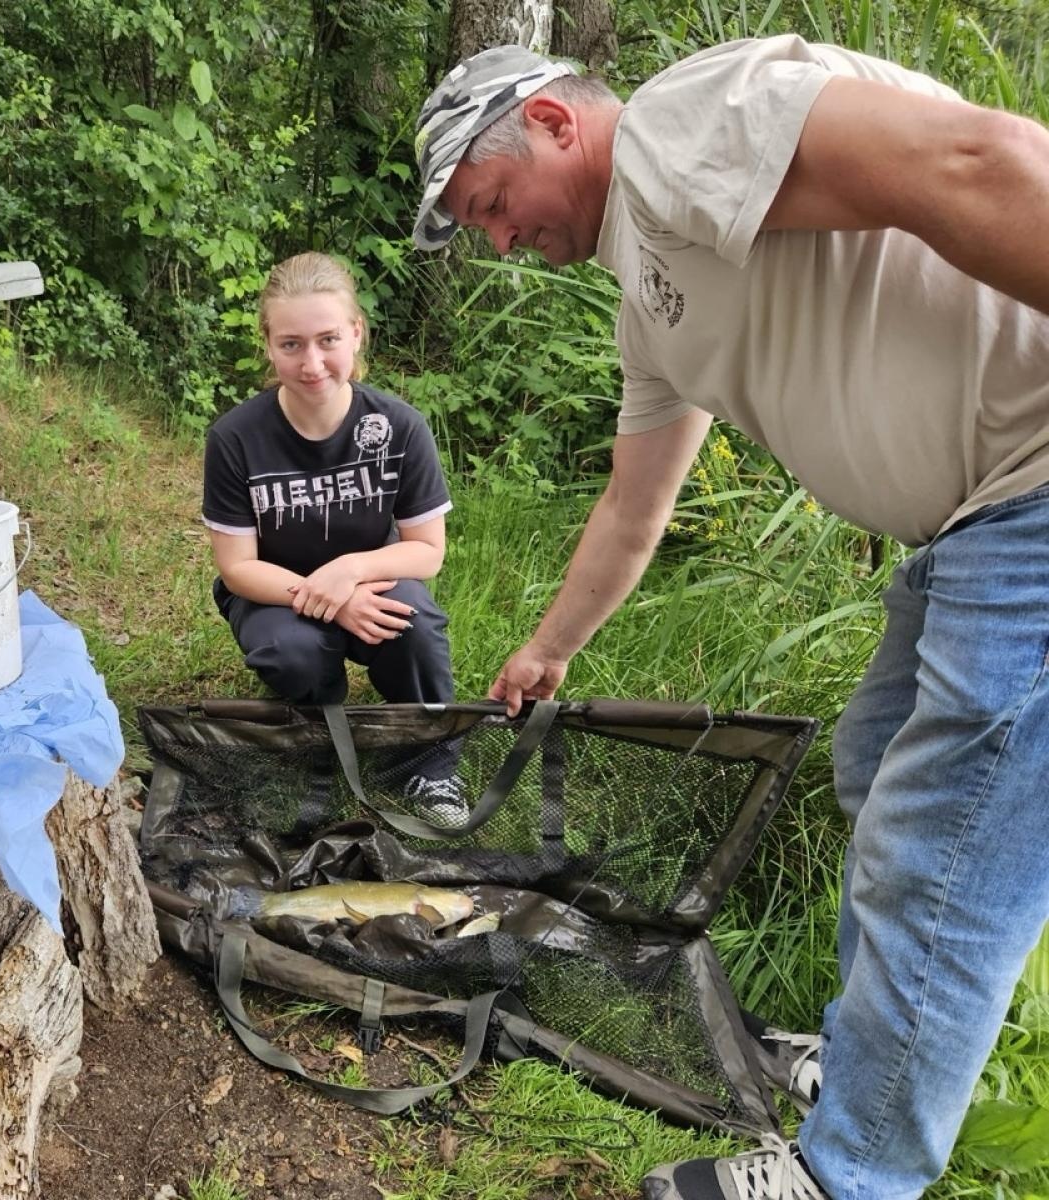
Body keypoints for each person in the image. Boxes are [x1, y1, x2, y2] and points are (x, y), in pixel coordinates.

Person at [412, 33, 1049, 1200]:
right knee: (874, 761)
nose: (501, 244)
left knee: (942, 845)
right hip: (971, 525)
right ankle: (866, 1069)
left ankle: (849, 1176)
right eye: (479, 228)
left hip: (1034, 490)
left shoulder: (674, 127)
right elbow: (629, 508)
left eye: (494, 203)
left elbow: (978, 158)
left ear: (554, 125)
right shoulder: (649, 301)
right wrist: (545, 650)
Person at [201, 251, 466, 820]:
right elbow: (237, 567)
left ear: (356, 334)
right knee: (291, 650)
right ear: (268, 345)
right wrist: (329, 601)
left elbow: (427, 550)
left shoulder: (399, 427)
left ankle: (431, 765)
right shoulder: (234, 438)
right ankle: (317, 740)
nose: (312, 362)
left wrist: (349, 574)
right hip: (276, 592)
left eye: (328, 339)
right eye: (291, 344)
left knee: (415, 626)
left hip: (374, 580)